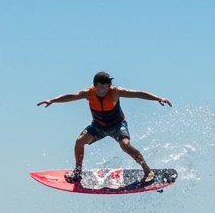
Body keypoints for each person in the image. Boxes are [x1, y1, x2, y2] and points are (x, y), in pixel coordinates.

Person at [37, 71, 171, 185]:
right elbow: (71, 96)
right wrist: (52, 100)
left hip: (117, 125)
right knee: (79, 142)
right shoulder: (88, 93)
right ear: (95, 86)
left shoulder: (115, 92)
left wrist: (158, 98)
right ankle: (77, 173)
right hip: (98, 126)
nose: (104, 90)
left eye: (107, 87)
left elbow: (138, 93)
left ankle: (148, 170)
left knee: (125, 145)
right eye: (101, 87)